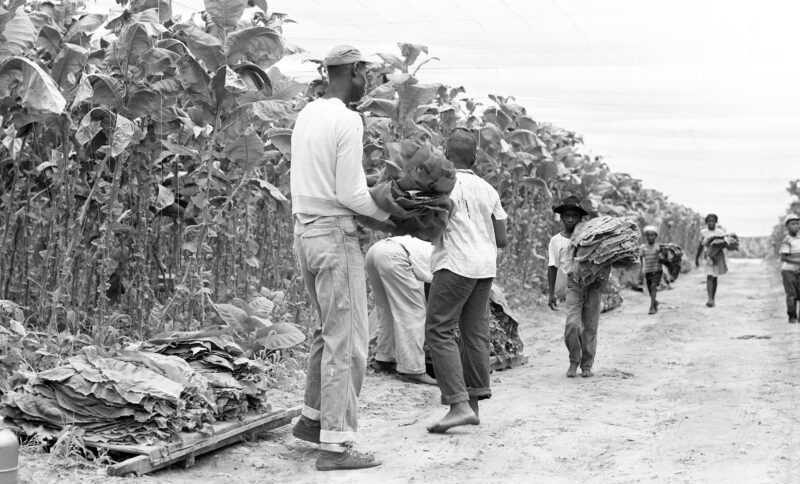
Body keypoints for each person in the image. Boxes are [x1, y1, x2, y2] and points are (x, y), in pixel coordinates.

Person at [289, 45, 388, 471]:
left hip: (305, 233)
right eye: (365, 72)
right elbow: (350, 195)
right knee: (347, 340)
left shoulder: (308, 113)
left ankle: (313, 422)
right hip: (333, 235)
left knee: (326, 331)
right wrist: (392, 216)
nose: (368, 81)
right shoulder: (348, 119)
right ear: (352, 72)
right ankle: (335, 446)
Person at [425, 128, 508, 433]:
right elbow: (501, 238)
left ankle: (458, 405)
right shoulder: (488, 189)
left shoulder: (443, 185)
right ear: (474, 157)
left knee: (439, 330)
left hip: (454, 264)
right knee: (474, 332)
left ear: (445, 154)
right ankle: (471, 404)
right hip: (484, 266)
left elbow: (430, 227)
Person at [365, 236, 437, 385]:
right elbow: (435, 293)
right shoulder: (458, 265)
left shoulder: (442, 248)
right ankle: (412, 369)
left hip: (376, 250)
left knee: (387, 310)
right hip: (396, 255)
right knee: (414, 312)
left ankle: (384, 358)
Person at [548, 195, 602, 378]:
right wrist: (552, 293)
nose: (570, 219)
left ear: (581, 219)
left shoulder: (591, 237)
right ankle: (574, 360)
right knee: (572, 325)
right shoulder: (556, 241)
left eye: (574, 216)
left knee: (590, 326)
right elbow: (552, 267)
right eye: (567, 216)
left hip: (593, 284)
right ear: (561, 218)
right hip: (573, 284)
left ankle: (587, 365)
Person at [695, 213, 727, 308]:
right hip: (707, 257)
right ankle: (709, 299)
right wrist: (696, 258)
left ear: (716, 222)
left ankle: (713, 298)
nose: (711, 222)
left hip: (717, 257)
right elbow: (700, 246)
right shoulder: (703, 232)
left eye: (713, 221)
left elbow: (723, 245)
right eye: (709, 221)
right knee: (709, 276)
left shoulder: (720, 232)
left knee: (715, 278)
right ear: (706, 222)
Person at [779, 213, 800, 324]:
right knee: (792, 295)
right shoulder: (787, 240)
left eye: (797, 223)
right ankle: (792, 317)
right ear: (787, 226)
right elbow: (783, 257)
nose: (796, 226)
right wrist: (797, 262)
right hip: (789, 271)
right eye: (793, 224)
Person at [640, 226, 662, 315]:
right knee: (650, 290)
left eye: (652, 235)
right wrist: (640, 270)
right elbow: (640, 259)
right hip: (648, 271)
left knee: (653, 286)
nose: (650, 237)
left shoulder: (658, 247)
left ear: (655, 236)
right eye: (648, 235)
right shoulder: (643, 247)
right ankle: (655, 301)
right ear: (646, 237)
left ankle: (652, 307)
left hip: (657, 271)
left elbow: (664, 258)